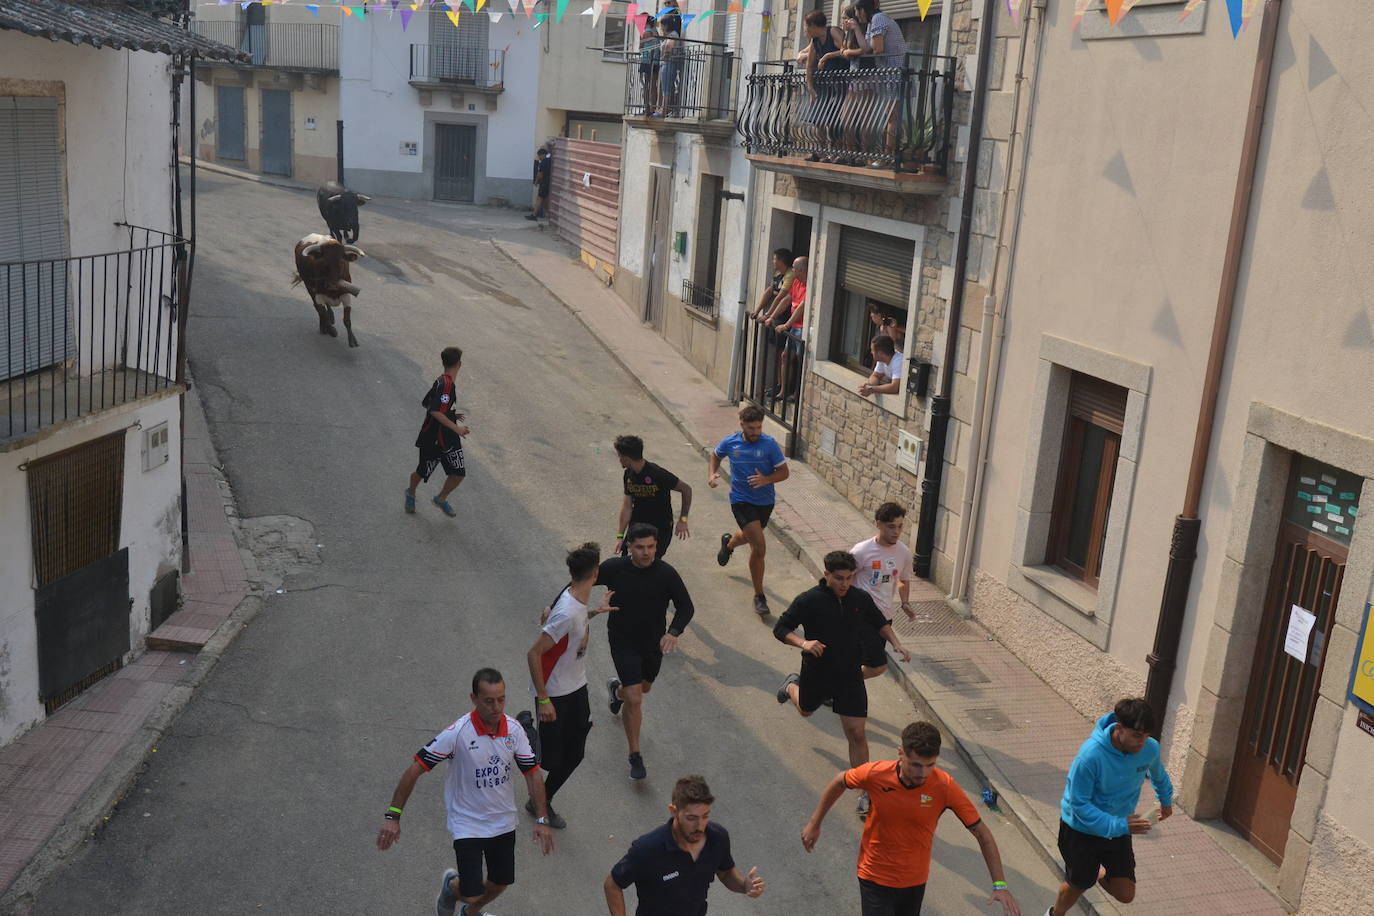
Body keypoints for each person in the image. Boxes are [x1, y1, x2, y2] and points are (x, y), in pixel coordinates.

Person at [376, 668, 554, 916]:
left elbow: (532, 773)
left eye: (501, 699)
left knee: (500, 883)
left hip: (502, 822)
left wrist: (542, 818)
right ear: (474, 699)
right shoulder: (457, 733)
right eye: (489, 701)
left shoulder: (514, 730)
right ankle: (452, 888)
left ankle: (470, 913)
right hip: (467, 823)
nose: (496, 707)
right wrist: (393, 816)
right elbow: (416, 768)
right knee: (471, 891)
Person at [802, 721, 1022, 916]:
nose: (923, 773)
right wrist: (815, 823)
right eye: (916, 764)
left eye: (930, 765)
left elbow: (982, 834)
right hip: (874, 876)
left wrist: (1000, 885)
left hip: (914, 882)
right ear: (900, 753)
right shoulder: (876, 774)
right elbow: (840, 781)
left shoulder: (944, 786)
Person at [772, 550, 909, 818]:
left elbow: (879, 623)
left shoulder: (859, 598)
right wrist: (803, 643)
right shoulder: (809, 600)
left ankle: (864, 792)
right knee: (807, 710)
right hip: (818, 672)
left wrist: (897, 643)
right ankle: (791, 686)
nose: (844, 584)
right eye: (838, 578)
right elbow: (781, 628)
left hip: (850, 675)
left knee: (857, 733)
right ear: (826, 574)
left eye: (848, 578)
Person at [1047, 698, 1174, 916]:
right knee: (1079, 883)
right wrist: (1119, 825)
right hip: (1080, 830)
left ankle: (1097, 871)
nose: (1142, 742)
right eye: (1136, 735)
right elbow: (1079, 804)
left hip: (1118, 829)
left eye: (1146, 735)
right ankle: (1054, 914)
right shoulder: (1090, 756)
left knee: (1125, 895)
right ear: (1119, 728)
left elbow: (1158, 775)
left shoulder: (1149, 749)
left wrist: (1166, 800)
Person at [525, 543, 619, 830]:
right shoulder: (565, 611)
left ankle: (541, 801)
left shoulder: (575, 603)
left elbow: (573, 624)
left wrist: (595, 612)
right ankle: (523, 732)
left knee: (574, 754)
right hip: (555, 694)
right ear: (596, 573)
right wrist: (543, 699)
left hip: (577, 688)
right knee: (551, 760)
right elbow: (534, 653)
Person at [600, 523, 696, 781]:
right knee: (635, 699)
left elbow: (686, 607)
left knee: (641, 689)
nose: (646, 553)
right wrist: (557, 607)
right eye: (640, 547)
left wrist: (673, 632)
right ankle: (635, 756)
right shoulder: (614, 568)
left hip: (652, 644)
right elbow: (580, 580)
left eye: (651, 547)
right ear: (629, 546)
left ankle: (615, 691)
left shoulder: (666, 574)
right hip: (622, 641)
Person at [604, 775, 766, 915]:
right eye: (691, 818)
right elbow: (612, 884)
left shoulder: (717, 838)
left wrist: (745, 885)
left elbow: (725, 873)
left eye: (705, 816)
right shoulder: (647, 849)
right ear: (674, 811)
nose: (700, 826)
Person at [709, 404, 790, 617]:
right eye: (751, 428)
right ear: (742, 425)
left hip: (765, 502)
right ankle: (759, 596)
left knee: (749, 536)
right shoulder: (731, 442)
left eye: (759, 427)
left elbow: (784, 473)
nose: (756, 432)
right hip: (741, 500)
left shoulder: (770, 445)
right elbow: (715, 455)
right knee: (760, 547)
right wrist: (712, 474)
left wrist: (766, 479)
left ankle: (729, 544)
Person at [851, 501, 915, 679]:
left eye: (900, 527)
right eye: (891, 527)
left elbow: (903, 580)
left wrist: (905, 603)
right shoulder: (861, 551)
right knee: (876, 665)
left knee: (861, 662)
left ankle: (834, 689)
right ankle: (837, 688)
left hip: (884, 618)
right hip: (860, 616)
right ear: (878, 524)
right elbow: (844, 578)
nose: (896, 532)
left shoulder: (904, 553)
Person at [407, 346, 470, 518]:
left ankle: (441, 498)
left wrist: (450, 414)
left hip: (448, 438)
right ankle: (410, 492)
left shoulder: (443, 381)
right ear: (459, 364)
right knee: (422, 472)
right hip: (434, 439)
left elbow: (428, 403)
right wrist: (456, 427)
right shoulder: (446, 385)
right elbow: (434, 411)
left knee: (458, 473)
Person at [613, 435, 692, 559]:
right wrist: (619, 536)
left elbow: (686, 490)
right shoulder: (628, 475)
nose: (619, 459)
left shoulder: (658, 474)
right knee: (629, 563)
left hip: (660, 529)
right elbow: (627, 507)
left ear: (626, 458)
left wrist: (683, 520)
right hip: (637, 526)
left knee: (650, 563)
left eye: (619, 455)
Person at [797, 10, 850, 160]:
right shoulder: (815, 41)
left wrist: (827, 56)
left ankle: (837, 152)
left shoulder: (832, 32)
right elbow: (810, 65)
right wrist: (810, 86)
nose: (805, 30)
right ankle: (820, 151)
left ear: (813, 25)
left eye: (806, 27)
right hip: (824, 83)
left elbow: (845, 51)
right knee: (819, 117)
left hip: (840, 82)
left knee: (835, 118)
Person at [760, 255, 808, 405]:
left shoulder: (810, 286)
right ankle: (783, 391)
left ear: (802, 270)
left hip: (802, 328)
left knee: (800, 362)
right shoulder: (796, 282)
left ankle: (796, 393)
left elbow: (802, 307)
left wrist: (786, 325)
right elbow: (786, 300)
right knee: (785, 356)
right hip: (794, 327)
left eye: (794, 267)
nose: (792, 270)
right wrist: (771, 317)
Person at [858, 333, 904, 398]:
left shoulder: (899, 362)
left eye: (872, 350)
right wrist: (869, 385)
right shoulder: (882, 359)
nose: (871, 352)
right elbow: (876, 376)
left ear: (880, 353)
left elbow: (895, 387)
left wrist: (872, 389)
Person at [636, 17, 660, 113]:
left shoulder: (645, 33)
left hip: (647, 61)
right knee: (654, 85)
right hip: (656, 61)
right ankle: (653, 107)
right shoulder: (656, 33)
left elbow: (640, 47)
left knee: (646, 85)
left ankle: (647, 107)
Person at [527, 147, 551, 220]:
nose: (539, 158)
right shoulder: (550, 161)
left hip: (544, 183)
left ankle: (534, 215)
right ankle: (546, 214)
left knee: (539, 199)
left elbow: (540, 174)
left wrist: (536, 182)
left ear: (542, 155)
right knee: (545, 200)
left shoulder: (543, 162)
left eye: (539, 156)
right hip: (549, 183)